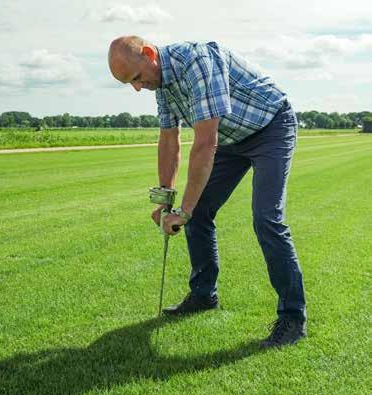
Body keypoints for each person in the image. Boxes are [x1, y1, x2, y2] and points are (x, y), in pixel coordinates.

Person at [108, 36, 306, 347]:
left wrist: (183, 210)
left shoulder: (196, 61)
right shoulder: (161, 84)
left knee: (267, 217)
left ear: (148, 54)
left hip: (270, 127)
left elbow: (204, 144)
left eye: (135, 78)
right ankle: (203, 295)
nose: (137, 87)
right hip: (231, 139)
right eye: (129, 84)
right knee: (199, 211)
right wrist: (165, 200)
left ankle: (293, 317)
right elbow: (169, 141)